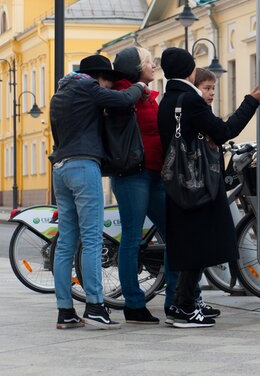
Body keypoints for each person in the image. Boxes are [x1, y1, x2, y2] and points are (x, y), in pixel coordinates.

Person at [158, 47, 260, 328]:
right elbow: (224, 132)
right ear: (190, 71)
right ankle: (183, 307)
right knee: (201, 243)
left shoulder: (166, 100)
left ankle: (185, 303)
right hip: (199, 184)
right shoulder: (190, 101)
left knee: (193, 243)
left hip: (178, 184)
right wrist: (250, 102)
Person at [49, 54, 149, 330]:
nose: (108, 88)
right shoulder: (88, 86)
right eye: (108, 82)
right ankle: (95, 304)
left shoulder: (61, 93)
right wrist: (139, 87)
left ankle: (65, 311)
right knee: (92, 237)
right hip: (83, 165)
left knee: (67, 241)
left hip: (60, 167)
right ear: (100, 77)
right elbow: (122, 100)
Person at [108, 46, 164, 324]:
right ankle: (133, 303)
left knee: (176, 232)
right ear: (136, 68)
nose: (154, 65)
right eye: (148, 62)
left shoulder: (144, 95)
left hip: (155, 173)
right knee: (132, 239)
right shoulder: (124, 95)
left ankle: (179, 296)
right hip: (132, 176)